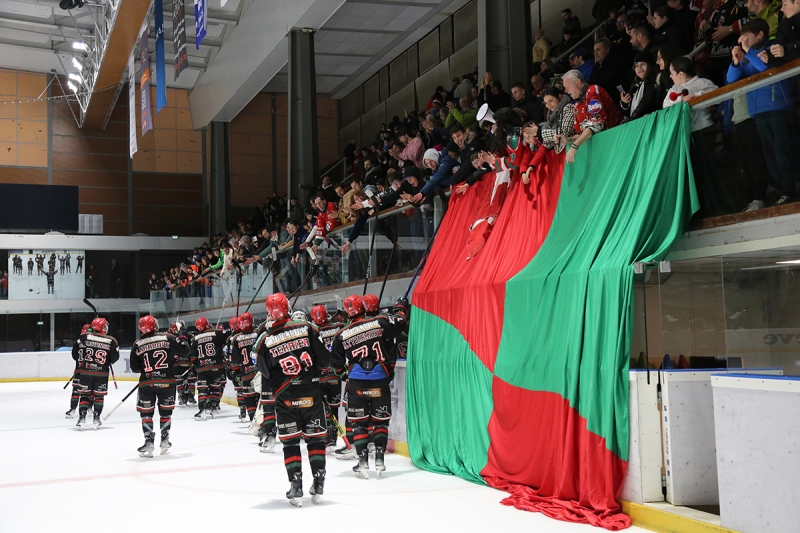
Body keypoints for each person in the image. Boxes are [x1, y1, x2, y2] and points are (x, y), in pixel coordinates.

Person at [254, 293, 330, 506]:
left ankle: (295, 485)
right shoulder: (307, 327)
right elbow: (324, 359)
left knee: (291, 442)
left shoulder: (265, 338)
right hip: (311, 393)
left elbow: (263, 370)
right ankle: (319, 480)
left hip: (286, 397)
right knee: (315, 439)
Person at [728, 18, 797, 207]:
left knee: (782, 150)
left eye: (746, 36)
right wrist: (736, 62)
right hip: (757, 109)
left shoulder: (773, 45)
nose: (743, 40)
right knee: (769, 154)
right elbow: (731, 81)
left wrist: (749, 52)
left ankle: (790, 189)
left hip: (778, 105)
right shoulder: (748, 55)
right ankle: (781, 189)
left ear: (760, 34)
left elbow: (766, 67)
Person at [331, 294, 398, 479]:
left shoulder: (341, 334)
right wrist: (400, 307)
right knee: (381, 421)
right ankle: (379, 459)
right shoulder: (380, 322)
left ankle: (362, 463)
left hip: (357, 382)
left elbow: (335, 365)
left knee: (359, 424)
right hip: (379, 379)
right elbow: (398, 325)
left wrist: (345, 374)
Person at [129, 315, 186, 457]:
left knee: (146, 413)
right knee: (165, 412)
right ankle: (165, 439)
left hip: (147, 383)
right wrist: (181, 336)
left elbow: (135, 369)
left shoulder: (137, 344)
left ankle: (148, 440)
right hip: (167, 382)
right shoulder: (167, 337)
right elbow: (184, 351)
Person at [559, 69, 622, 164]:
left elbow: (595, 125)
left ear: (578, 82)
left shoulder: (593, 91)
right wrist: (568, 140)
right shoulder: (577, 104)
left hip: (617, 141)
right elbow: (583, 134)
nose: (566, 91)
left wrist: (574, 146)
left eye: (567, 87)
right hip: (604, 148)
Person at [72, 317, 120, 429]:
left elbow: (75, 354)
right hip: (101, 374)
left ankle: (82, 418)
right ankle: (96, 418)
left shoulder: (83, 338)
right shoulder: (111, 341)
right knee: (99, 396)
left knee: (84, 394)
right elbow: (114, 358)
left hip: (86, 372)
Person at [310, 304, 345, 453]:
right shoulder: (338, 326)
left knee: (324, 409)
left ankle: (327, 437)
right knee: (334, 408)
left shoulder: (311, 330)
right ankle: (332, 437)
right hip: (335, 376)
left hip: (320, 376)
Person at [663, 56, 719, 130]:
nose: (670, 76)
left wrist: (696, 95)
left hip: (704, 127)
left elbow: (716, 93)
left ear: (681, 74)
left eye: (672, 73)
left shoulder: (702, 82)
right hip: (686, 129)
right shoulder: (675, 88)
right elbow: (665, 105)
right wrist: (681, 99)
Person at [190, 316, 228, 421]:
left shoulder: (195, 339)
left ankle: (203, 408)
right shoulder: (217, 334)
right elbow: (228, 338)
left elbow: (193, 356)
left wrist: (193, 366)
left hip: (202, 368)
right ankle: (214, 406)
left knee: (202, 390)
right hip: (216, 367)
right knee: (215, 388)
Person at [229, 312, 261, 422]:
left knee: (249, 398)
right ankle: (264, 421)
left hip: (246, 374)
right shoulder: (258, 333)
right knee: (263, 398)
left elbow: (235, 361)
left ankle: (253, 421)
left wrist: (235, 372)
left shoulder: (236, 339)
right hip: (260, 373)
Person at [619, 52, 660, 121]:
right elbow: (626, 113)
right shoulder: (635, 86)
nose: (639, 68)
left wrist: (632, 119)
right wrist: (624, 103)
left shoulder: (655, 80)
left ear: (650, 65)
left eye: (643, 64)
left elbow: (646, 103)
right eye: (636, 65)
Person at [65, 323, 91, 418]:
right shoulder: (94, 342)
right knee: (89, 391)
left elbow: (74, 356)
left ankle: (72, 409)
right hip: (89, 371)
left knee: (76, 390)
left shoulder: (78, 342)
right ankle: (89, 408)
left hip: (79, 370)